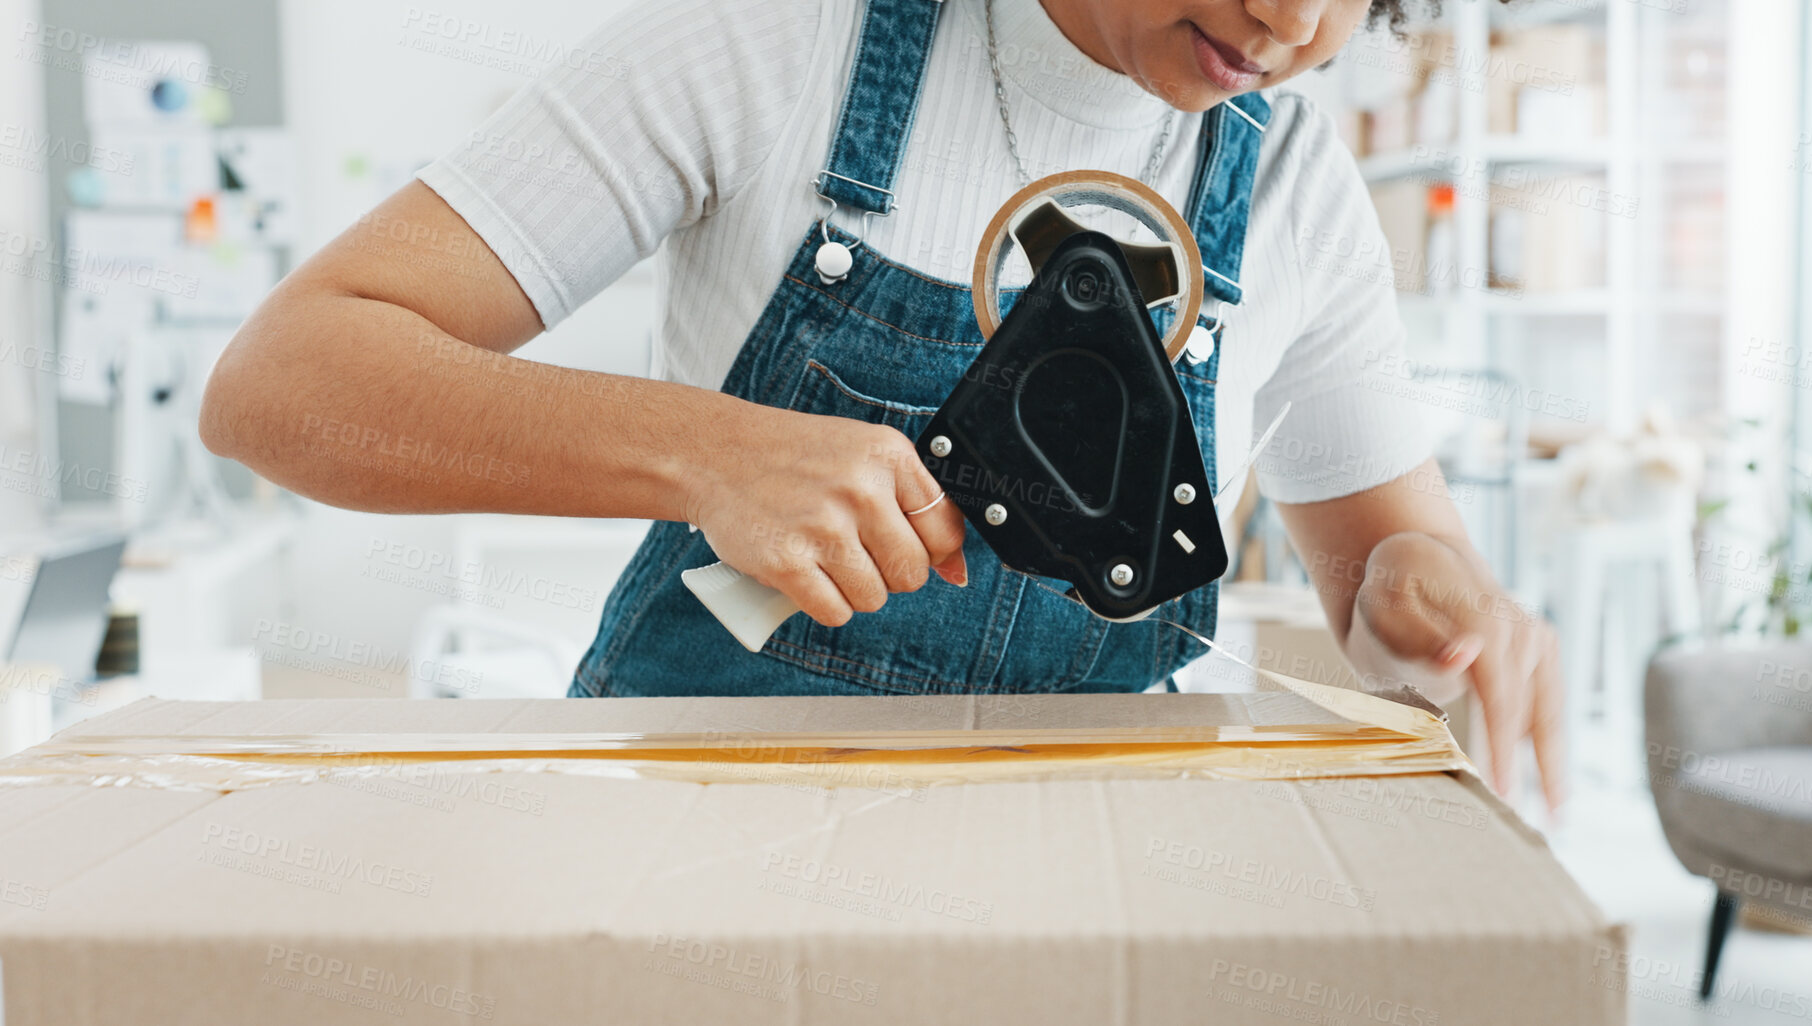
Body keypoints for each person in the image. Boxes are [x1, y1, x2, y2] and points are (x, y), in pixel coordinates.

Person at [201, 0, 1562, 803]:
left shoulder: (1297, 185)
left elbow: (1391, 562)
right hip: (696, 874)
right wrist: (704, 453)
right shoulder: (774, 42)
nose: (1290, 22)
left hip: (1093, 894)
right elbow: (283, 382)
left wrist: (1426, 596)